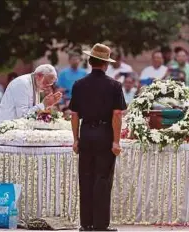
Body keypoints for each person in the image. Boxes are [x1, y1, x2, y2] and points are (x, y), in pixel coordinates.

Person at [70, 43, 126, 231]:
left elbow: (74, 114)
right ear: (105, 64)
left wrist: (76, 139)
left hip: (85, 133)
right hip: (104, 133)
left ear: (90, 61)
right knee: (102, 178)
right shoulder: (114, 85)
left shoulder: (79, 84)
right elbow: (117, 114)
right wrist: (116, 141)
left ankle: (86, 223)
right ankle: (101, 224)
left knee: (85, 177)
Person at [0, 64, 62, 173]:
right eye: (47, 83)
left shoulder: (35, 85)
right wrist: (43, 105)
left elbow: (32, 115)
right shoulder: (22, 84)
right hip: (2, 127)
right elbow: (23, 116)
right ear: (39, 76)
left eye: (50, 84)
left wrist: (47, 106)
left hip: (13, 130)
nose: (48, 87)